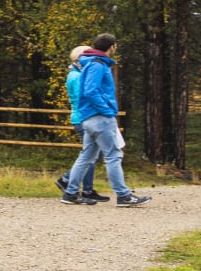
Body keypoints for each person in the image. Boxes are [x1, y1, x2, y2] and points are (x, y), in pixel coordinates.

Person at [63, 33, 151, 207]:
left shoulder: (90, 63)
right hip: (100, 118)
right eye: (115, 45)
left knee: (87, 156)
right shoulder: (98, 64)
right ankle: (123, 195)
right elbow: (90, 91)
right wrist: (108, 110)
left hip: (88, 117)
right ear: (112, 46)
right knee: (113, 155)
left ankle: (70, 193)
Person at [54, 45, 108, 202]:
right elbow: (83, 97)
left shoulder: (77, 74)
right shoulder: (77, 76)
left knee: (92, 155)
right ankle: (69, 181)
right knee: (89, 155)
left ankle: (86, 189)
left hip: (81, 117)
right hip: (83, 118)